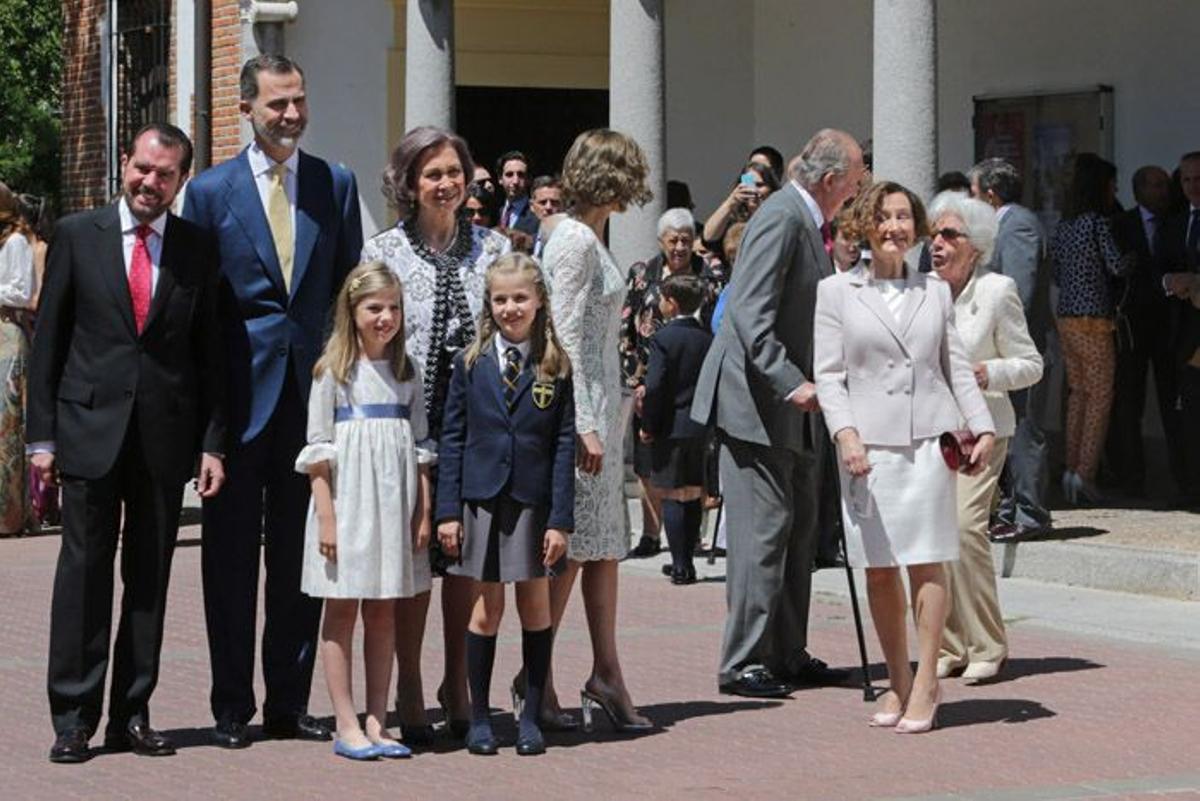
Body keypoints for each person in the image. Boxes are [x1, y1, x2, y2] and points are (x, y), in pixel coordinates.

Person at [30, 123, 227, 763]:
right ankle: (74, 718)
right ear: (125, 163)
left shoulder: (198, 249)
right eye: (143, 169)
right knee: (83, 577)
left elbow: (210, 359)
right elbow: (49, 344)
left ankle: (132, 713)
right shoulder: (76, 235)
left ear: (180, 180)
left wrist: (212, 443)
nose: (151, 183)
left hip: (164, 441)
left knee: (150, 580)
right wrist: (41, 438)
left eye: (165, 174)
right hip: (88, 434)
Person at [182, 54, 363, 749]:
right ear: (246, 109)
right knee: (229, 561)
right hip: (234, 402)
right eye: (277, 104)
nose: (291, 114)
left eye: (299, 101)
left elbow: (346, 290)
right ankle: (232, 705)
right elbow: (198, 311)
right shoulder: (208, 192)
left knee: (301, 557)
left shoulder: (333, 184)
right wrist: (206, 424)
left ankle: (288, 701)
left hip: (309, 403)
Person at [814, 181, 996, 733]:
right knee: (878, 569)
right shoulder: (837, 292)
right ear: (867, 227)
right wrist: (845, 435)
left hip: (926, 445)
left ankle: (926, 683)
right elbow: (829, 375)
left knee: (927, 560)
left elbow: (954, 366)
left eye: (904, 218)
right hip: (867, 450)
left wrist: (981, 426)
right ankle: (896, 678)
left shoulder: (935, 290)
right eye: (884, 217)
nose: (894, 227)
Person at [691, 129, 864, 699]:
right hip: (757, 402)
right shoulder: (783, 216)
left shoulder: (807, 220)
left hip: (792, 408)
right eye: (856, 180)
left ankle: (785, 651)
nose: (858, 191)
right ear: (833, 179)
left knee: (796, 529)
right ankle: (743, 660)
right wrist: (790, 382)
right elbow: (748, 311)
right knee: (762, 531)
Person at [361, 125, 511, 743]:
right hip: (411, 426)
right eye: (432, 175)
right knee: (416, 560)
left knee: (467, 563)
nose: (446, 184)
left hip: (478, 429)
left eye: (454, 172)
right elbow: (368, 336)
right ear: (409, 184)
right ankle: (411, 686)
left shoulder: (496, 249)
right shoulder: (384, 251)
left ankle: (459, 683)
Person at [436, 253, 575, 756]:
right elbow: (452, 438)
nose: (510, 307)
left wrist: (561, 519)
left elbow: (563, 445)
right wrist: (448, 509)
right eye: (500, 299)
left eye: (520, 297)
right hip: (482, 501)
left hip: (533, 503)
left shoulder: (555, 365)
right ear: (488, 304)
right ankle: (478, 719)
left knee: (534, 604)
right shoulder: (470, 363)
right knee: (486, 607)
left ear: (539, 301)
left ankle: (531, 717)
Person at [295, 262, 434, 760]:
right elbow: (318, 451)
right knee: (342, 610)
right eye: (374, 307)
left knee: (384, 610)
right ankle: (346, 721)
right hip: (349, 506)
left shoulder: (406, 371)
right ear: (352, 312)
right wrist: (327, 517)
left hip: (394, 507)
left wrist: (423, 511)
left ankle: (378, 717)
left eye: (393, 307)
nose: (385, 317)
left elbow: (419, 447)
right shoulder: (333, 372)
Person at [541, 128, 654, 731]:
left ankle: (606, 671)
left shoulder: (585, 236)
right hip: (585, 419)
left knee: (604, 546)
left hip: (605, 415)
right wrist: (583, 422)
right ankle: (537, 677)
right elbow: (561, 335)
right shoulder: (576, 240)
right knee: (574, 549)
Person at [926, 192, 1042, 681]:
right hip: (930, 434)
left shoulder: (997, 291)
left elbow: (1031, 364)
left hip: (984, 433)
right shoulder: (922, 290)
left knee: (966, 528)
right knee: (934, 537)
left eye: (949, 235)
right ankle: (949, 644)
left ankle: (988, 643)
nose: (937, 243)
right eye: (933, 233)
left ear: (975, 245)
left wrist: (987, 372)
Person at [969, 157, 1054, 540]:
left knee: (1024, 429)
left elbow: (1020, 287)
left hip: (1020, 349)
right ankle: (1009, 507)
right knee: (1006, 425)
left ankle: (1030, 514)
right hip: (1001, 353)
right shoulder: (1002, 224)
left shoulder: (1017, 223)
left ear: (990, 194)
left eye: (974, 195)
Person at [621, 208, 708, 559]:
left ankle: (690, 539)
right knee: (647, 463)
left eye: (686, 239)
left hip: (692, 383)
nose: (680, 247)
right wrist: (634, 382)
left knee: (692, 464)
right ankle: (651, 533)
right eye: (673, 240)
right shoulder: (643, 275)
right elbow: (626, 328)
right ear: (661, 241)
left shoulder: (708, 274)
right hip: (650, 383)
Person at [1051, 154, 1128, 504]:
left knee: (1078, 394)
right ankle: (1085, 474)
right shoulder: (1096, 222)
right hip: (1095, 316)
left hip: (1066, 316)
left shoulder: (1064, 225)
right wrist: (1136, 261)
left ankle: (1070, 468)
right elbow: (1116, 265)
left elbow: (1055, 272)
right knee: (1099, 397)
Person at [1107, 165, 1182, 498]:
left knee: (1173, 403)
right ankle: (1131, 476)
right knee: (1129, 403)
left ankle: (1183, 476)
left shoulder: (1178, 221)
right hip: (1132, 325)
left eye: (1165, 185)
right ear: (1138, 192)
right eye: (1155, 186)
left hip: (1170, 326)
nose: (1162, 191)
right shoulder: (1121, 224)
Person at [639, 273, 713, 584]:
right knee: (693, 492)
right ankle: (689, 561)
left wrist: (648, 424)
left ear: (672, 303)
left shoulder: (663, 338)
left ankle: (679, 562)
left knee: (670, 493)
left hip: (670, 425)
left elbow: (656, 386)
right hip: (699, 425)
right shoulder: (707, 337)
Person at [1154, 151, 1200, 507]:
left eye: (1198, 179)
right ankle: (1189, 485)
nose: (1192, 186)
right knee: (1186, 413)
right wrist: (1173, 282)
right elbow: (1156, 273)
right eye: (1186, 180)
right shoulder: (1174, 223)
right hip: (1181, 334)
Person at [0, 181, 36, 535]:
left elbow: (23, 290)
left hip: (7, 334)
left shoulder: (16, 242)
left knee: (7, 427)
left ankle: (10, 514)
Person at [701, 161, 780, 254]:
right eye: (749, 184)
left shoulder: (779, 218)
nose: (753, 190)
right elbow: (708, 238)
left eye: (759, 185)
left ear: (772, 189)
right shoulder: (734, 219)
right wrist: (731, 202)